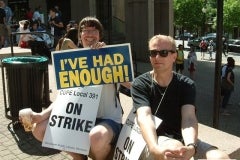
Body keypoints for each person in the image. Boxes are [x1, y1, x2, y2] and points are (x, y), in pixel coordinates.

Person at [29, 16, 130, 160]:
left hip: (108, 120)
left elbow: (131, 85)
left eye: (94, 30)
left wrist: (107, 57)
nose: (89, 34)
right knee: (39, 129)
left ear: (100, 35)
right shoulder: (71, 62)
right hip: (79, 119)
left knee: (96, 137)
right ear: (80, 36)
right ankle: (79, 157)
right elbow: (64, 99)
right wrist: (41, 115)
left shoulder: (111, 56)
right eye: (85, 30)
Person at [131, 34, 230, 160]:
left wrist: (191, 147)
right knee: (174, 150)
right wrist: (154, 148)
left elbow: (189, 118)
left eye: (163, 53)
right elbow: (144, 117)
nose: (157, 57)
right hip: (154, 139)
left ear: (174, 56)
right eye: (153, 53)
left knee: (221, 157)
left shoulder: (187, 84)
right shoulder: (140, 83)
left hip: (183, 138)